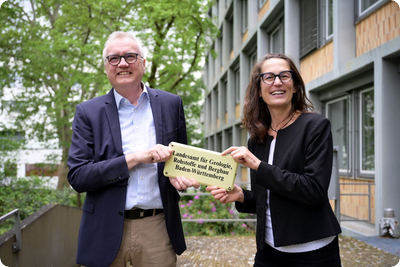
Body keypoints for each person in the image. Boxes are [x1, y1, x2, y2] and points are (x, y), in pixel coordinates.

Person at [67, 31, 200, 267]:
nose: (123, 64)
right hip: (103, 228)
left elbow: (180, 159)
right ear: (106, 66)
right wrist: (135, 158)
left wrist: (180, 174)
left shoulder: (172, 104)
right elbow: (78, 177)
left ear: (143, 63)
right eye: (114, 58)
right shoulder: (88, 112)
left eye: (130, 56)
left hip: (157, 227)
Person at [207, 53, 342, 266]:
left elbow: (314, 190)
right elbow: (269, 199)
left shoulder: (315, 126)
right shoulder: (257, 139)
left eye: (284, 76)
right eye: (268, 77)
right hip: (268, 251)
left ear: (295, 86)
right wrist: (241, 195)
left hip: (312, 252)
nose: (277, 82)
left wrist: (258, 166)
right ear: (259, 90)